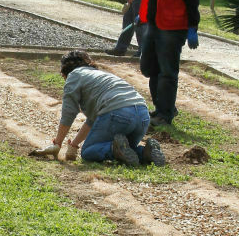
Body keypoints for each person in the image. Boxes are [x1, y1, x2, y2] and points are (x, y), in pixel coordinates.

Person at [32, 50, 165, 167]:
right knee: (126, 149)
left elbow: (68, 113)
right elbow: (92, 120)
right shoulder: (100, 76)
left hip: (118, 113)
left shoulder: (74, 76)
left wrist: (58, 143)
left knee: (89, 152)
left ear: (65, 72)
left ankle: (114, 149)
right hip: (142, 115)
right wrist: (74, 145)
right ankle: (146, 152)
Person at [139, 0, 200, 126]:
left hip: (172, 29)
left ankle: (165, 114)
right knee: (149, 68)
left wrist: (192, 27)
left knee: (167, 72)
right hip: (154, 25)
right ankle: (161, 107)